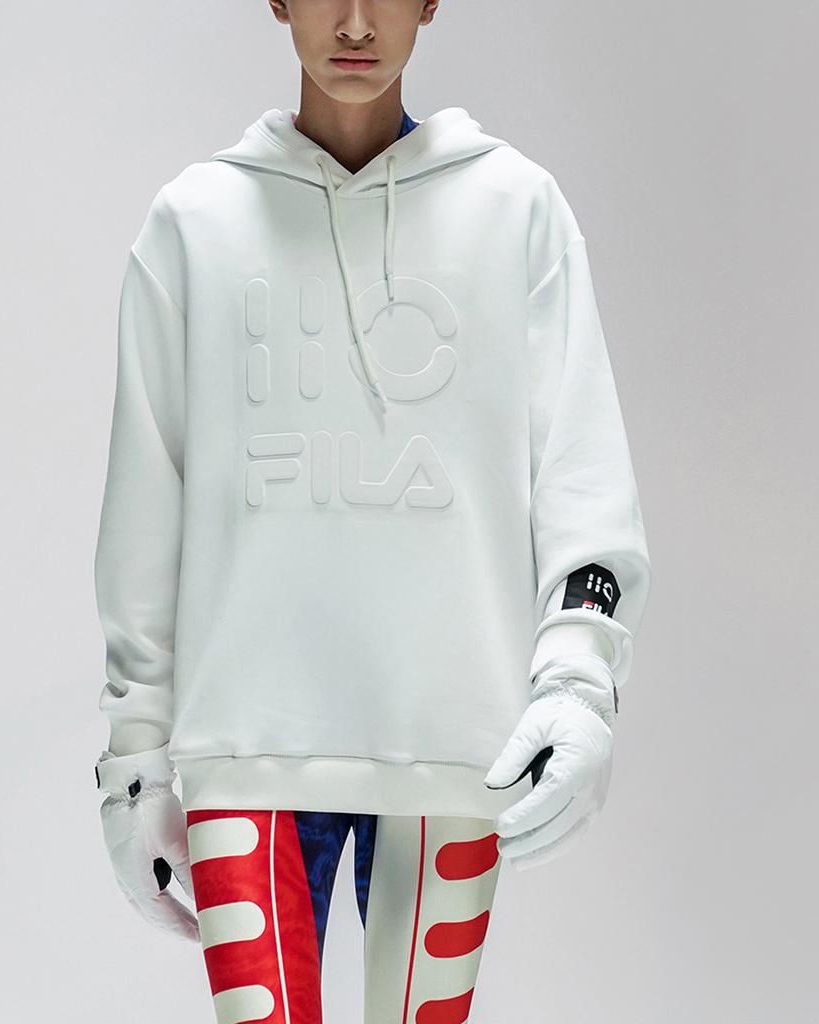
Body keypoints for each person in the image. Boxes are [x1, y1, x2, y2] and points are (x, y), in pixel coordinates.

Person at [92, 1, 651, 1019]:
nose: (355, 22)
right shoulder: (194, 223)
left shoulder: (516, 210)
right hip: (245, 752)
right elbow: (145, 503)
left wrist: (580, 685)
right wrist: (134, 761)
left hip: (455, 752)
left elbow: (580, 468)